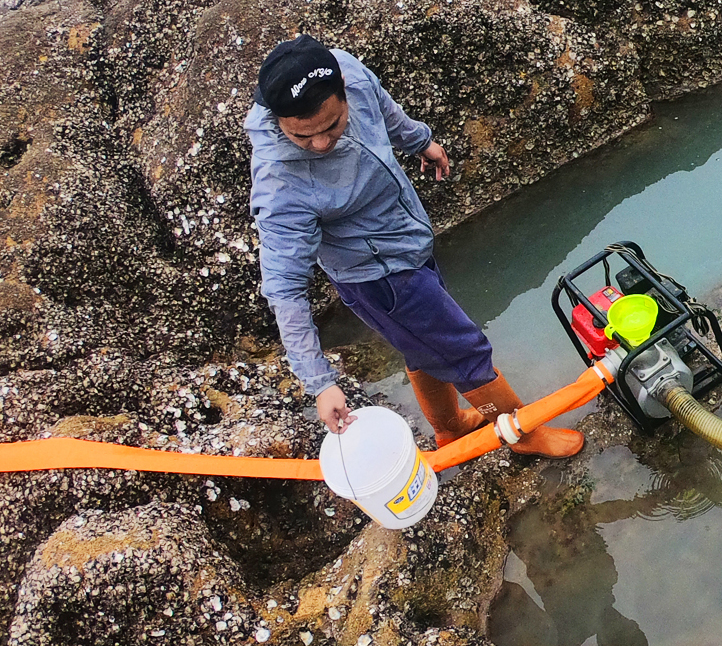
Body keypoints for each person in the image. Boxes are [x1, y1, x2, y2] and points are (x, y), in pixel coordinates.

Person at [245, 35, 582, 458]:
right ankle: (525, 435)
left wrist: (420, 141)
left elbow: (383, 107)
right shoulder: (280, 186)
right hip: (378, 278)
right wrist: (321, 383)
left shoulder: (347, 69)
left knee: (422, 347)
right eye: (301, 135)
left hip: (405, 239)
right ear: (279, 121)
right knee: (464, 350)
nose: (320, 144)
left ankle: (450, 427)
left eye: (332, 126)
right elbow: (284, 289)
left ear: (342, 90)